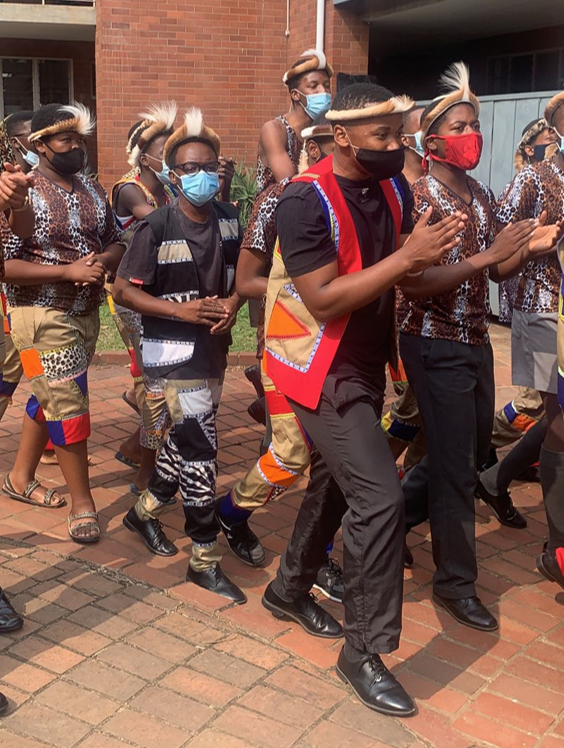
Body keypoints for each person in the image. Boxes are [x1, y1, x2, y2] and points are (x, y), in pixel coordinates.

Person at [260, 81, 474, 717]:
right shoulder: (303, 200)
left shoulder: (393, 189)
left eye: (398, 134)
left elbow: (412, 276)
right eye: (382, 135)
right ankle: (364, 650)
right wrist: (408, 258)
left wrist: (484, 257)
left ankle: (288, 588)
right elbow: (324, 299)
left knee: (337, 480)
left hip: (365, 361)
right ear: (341, 136)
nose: (395, 146)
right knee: (379, 499)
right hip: (317, 365)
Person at [399, 63, 562, 631]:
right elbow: (413, 282)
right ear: (432, 142)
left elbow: (497, 272)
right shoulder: (419, 197)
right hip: (430, 340)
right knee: (452, 466)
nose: (472, 134)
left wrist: (528, 247)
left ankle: (386, 522)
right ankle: (455, 583)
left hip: (472, 340)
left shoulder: (482, 192)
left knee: (467, 455)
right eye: (460, 126)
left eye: (475, 124)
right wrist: (490, 256)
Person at [113, 108, 246, 604]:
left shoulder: (229, 219)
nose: (201, 175)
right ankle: (204, 557)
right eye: (190, 168)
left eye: (209, 166)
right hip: (172, 354)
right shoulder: (156, 226)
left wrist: (233, 305)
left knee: (189, 438)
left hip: (213, 347)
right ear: (173, 174)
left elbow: (243, 277)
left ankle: (143, 512)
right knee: (202, 451)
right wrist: (181, 311)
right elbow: (123, 290)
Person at [217, 115, 345, 602]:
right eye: (331, 144)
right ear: (312, 148)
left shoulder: (360, 196)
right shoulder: (282, 197)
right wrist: (306, 287)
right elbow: (246, 278)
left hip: (342, 350)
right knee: (291, 455)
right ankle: (230, 512)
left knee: (335, 460)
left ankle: (319, 553)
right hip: (290, 349)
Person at [1, 102, 125, 542]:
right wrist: (66, 271)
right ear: (41, 145)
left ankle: (19, 477)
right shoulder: (21, 190)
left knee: (50, 396)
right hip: (40, 313)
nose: (76, 147)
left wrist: (104, 261)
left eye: (79, 139)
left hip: (85, 314)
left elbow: (115, 239)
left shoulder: (91, 187)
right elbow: (5, 266)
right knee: (69, 407)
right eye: (65, 139)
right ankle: (83, 503)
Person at [494, 91, 564, 593]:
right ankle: (557, 545)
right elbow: (497, 239)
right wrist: (535, 244)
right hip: (540, 307)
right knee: (549, 412)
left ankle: (492, 478)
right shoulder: (533, 178)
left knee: (554, 413)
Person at [111, 103, 178, 491]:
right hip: (131, 296)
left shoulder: (167, 189)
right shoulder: (130, 189)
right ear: (144, 155)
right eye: (165, 151)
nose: (171, 157)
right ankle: (146, 467)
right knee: (154, 382)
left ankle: (138, 446)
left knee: (160, 380)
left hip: (160, 293)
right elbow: (159, 222)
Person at [381, 105, 427, 479]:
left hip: (438, 317)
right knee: (412, 408)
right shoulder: (393, 189)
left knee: (424, 409)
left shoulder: (438, 183)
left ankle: (412, 479)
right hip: (404, 316)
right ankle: (368, 472)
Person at [256, 49, 332, 195]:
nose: (323, 91)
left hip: (316, 200)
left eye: (327, 85)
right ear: (296, 95)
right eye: (314, 86)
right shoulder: (274, 129)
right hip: (278, 205)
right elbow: (290, 185)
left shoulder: (325, 128)